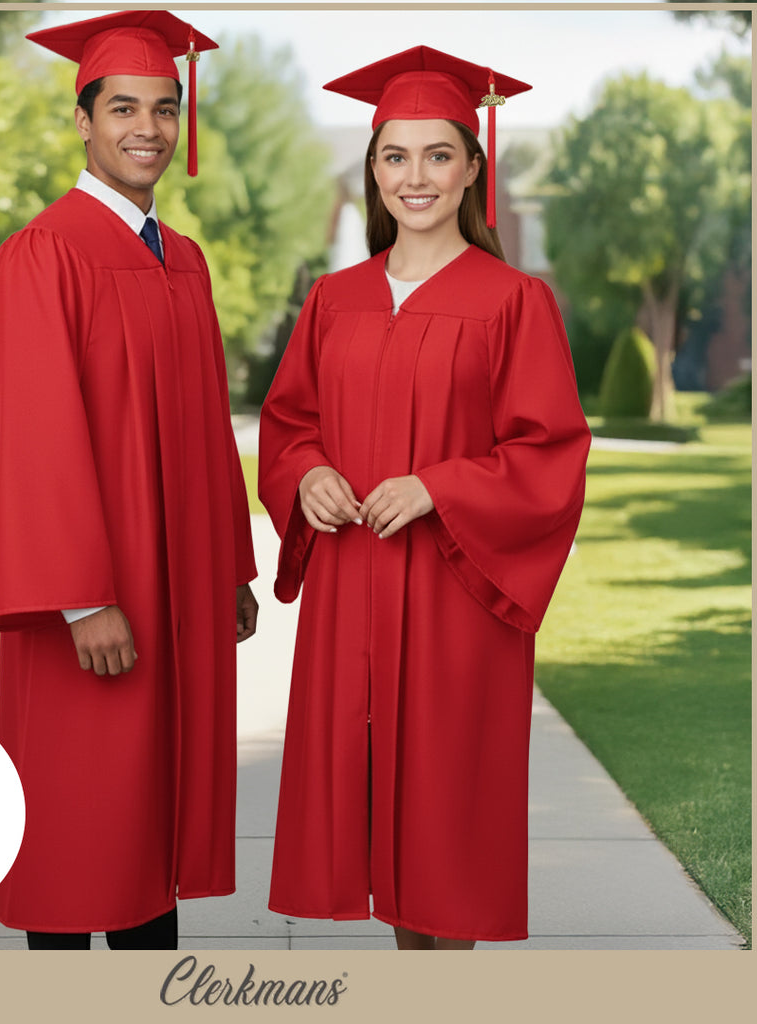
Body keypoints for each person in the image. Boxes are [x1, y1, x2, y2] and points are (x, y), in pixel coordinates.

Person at [258, 45, 590, 950]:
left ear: (473, 165)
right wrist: (311, 474)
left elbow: (550, 450)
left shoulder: (514, 300)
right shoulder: (334, 300)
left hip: (456, 597)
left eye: (438, 155)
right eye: (395, 157)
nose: (416, 177)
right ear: (372, 169)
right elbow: (289, 426)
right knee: (370, 814)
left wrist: (438, 487)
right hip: (351, 592)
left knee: (447, 814)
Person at [0, 11, 258, 951]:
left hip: (176, 593)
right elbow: (34, 440)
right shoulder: (43, 252)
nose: (149, 127)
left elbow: (210, 428)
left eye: (165, 109)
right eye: (124, 106)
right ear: (83, 121)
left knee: (150, 827)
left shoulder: (186, 263)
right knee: (78, 820)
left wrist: (231, 567)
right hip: (95, 599)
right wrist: (79, 599)